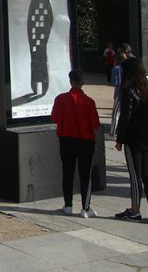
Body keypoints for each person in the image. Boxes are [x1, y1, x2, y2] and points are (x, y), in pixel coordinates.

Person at [115, 58, 148, 224]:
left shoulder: (128, 90)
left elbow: (125, 117)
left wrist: (119, 139)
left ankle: (135, 210)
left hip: (133, 138)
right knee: (146, 173)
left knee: (135, 176)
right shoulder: (145, 88)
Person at [51, 69, 100, 218]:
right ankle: (85, 207)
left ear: (70, 81)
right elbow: (95, 124)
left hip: (66, 140)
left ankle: (68, 204)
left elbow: (54, 118)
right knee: (85, 175)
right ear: (83, 82)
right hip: (85, 141)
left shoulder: (60, 99)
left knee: (68, 173)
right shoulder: (89, 102)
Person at [109, 44, 131, 136]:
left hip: (119, 93)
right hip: (128, 92)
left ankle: (113, 131)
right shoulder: (129, 66)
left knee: (115, 113)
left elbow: (115, 82)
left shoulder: (116, 69)